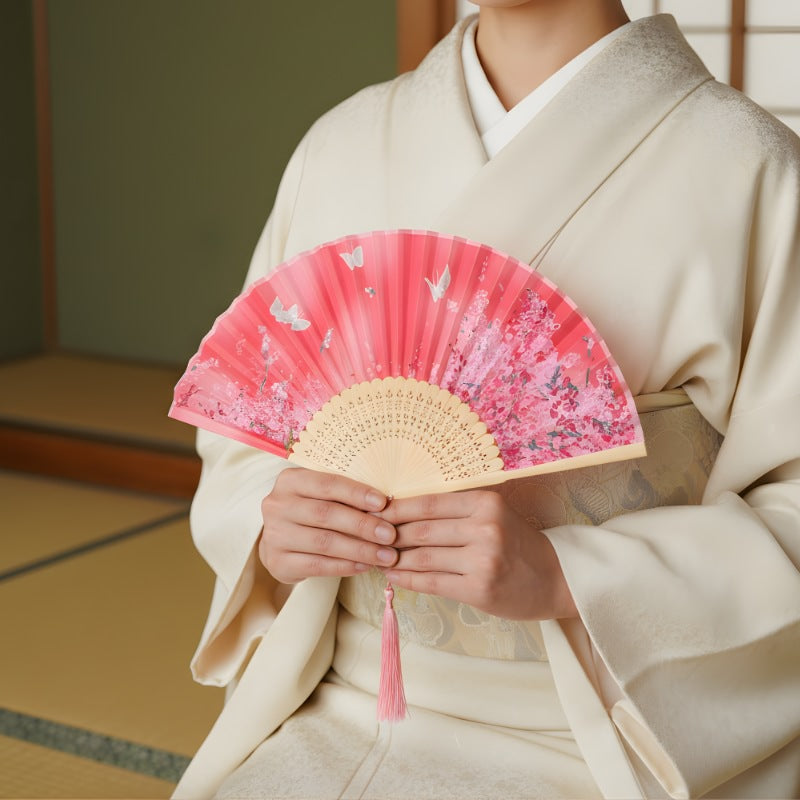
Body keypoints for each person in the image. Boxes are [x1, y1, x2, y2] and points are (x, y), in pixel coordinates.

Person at [173, 1, 800, 797]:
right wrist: (273, 521)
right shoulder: (341, 144)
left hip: (608, 727)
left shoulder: (753, 169)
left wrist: (572, 574)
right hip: (336, 692)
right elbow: (243, 427)